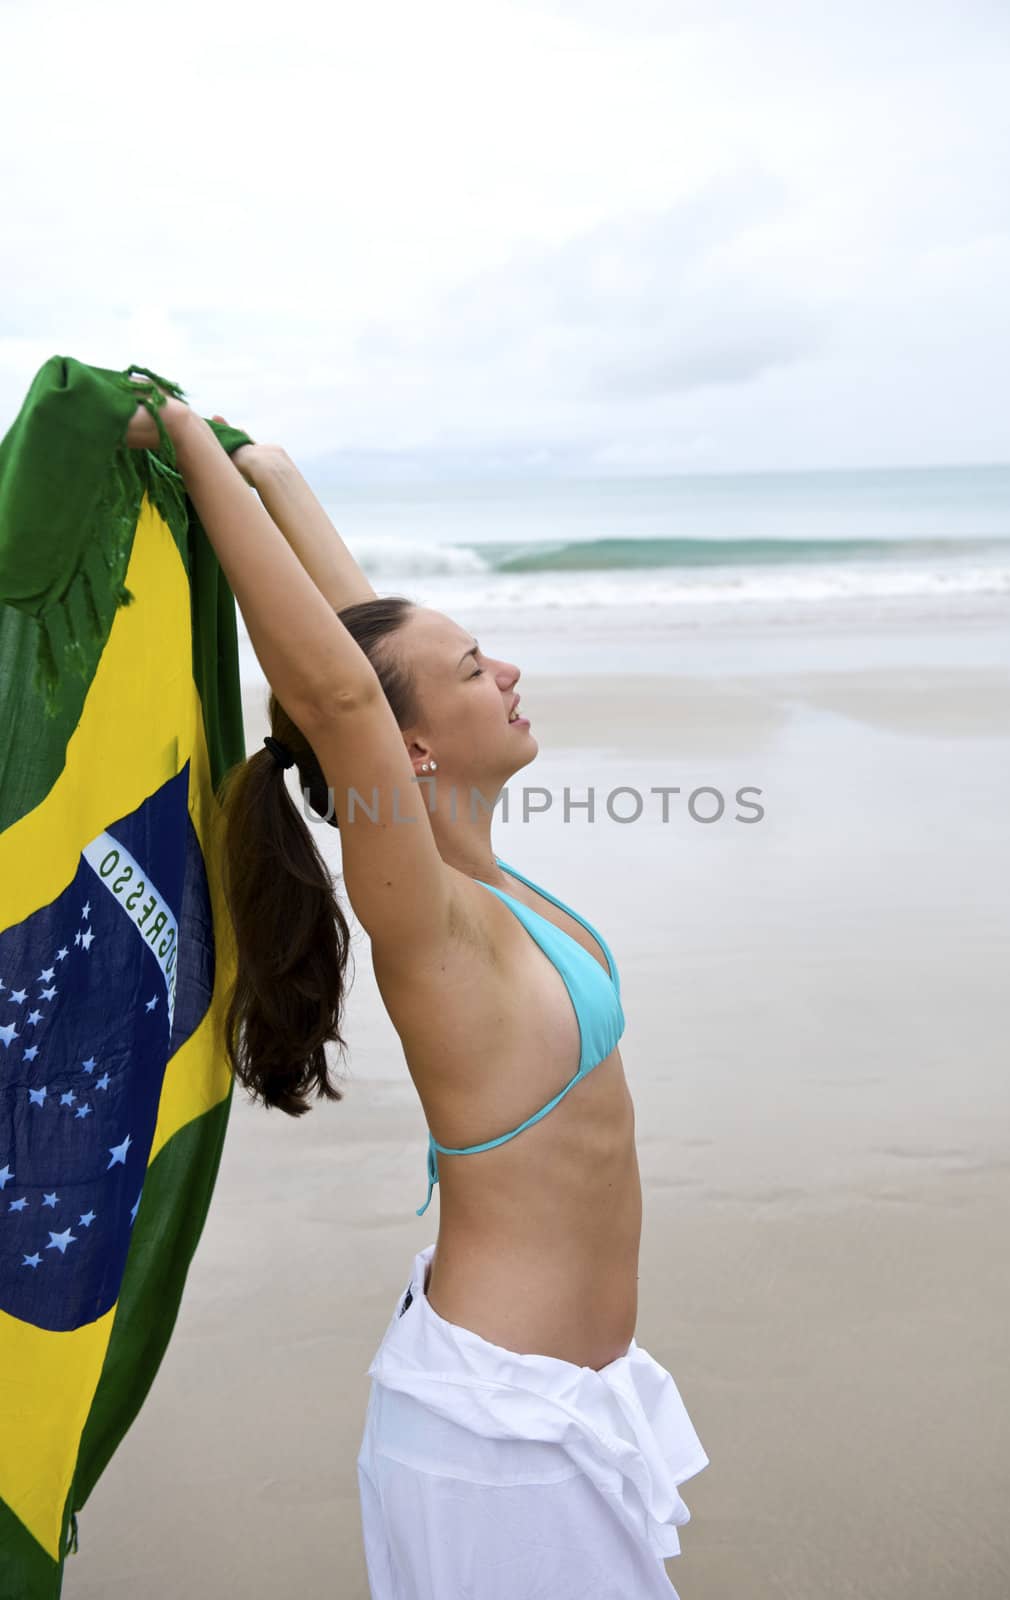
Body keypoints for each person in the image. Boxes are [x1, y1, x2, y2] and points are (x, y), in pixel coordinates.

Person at [126, 390, 709, 1598]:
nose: (506, 670)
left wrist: (273, 470)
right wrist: (188, 445)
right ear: (415, 753)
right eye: (473, 666)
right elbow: (346, 696)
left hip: (557, 1409)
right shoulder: (428, 918)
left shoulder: (480, 872)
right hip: (499, 1442)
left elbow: (369, 654)